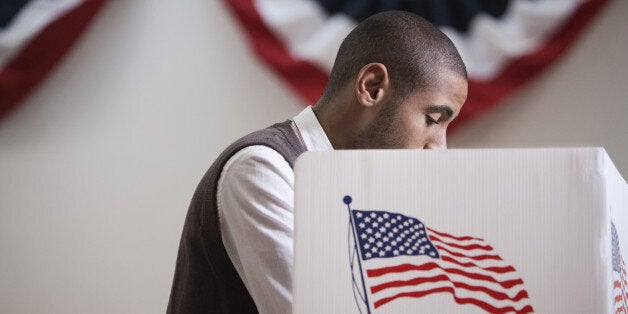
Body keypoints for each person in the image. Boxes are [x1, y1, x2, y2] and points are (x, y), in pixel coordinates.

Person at [167, 11, 468, 314]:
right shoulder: (260, 170)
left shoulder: (358, 189)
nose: (439, 148)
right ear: (372, 86)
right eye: (433, 120)